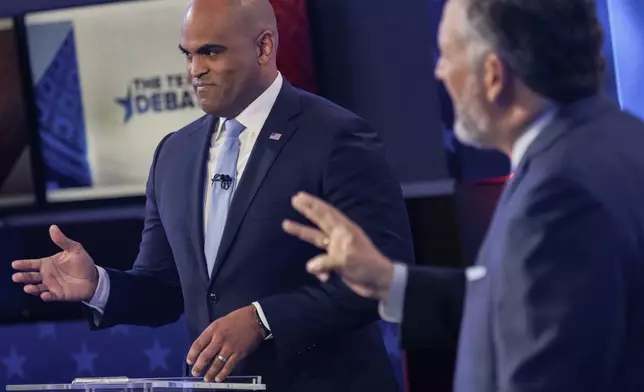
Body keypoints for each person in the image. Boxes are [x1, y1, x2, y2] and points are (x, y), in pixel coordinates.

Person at [11, 1, 414, 391]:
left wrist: (264, 320)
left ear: (264, 47)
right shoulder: (174, 154)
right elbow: (163, 289)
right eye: (187, 54)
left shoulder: (335, 137)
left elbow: (386, 275)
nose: (194, 70)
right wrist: (100, 285)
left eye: (210, 52)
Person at [282, 0, 644, 391]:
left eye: (447, 54)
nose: (439, 72)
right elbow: (528, 304)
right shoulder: (616, 138)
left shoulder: (556, 194)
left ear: (492, 76)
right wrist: (390, 283)